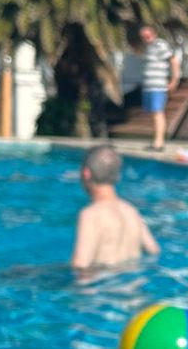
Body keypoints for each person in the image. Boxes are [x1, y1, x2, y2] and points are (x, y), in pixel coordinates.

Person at [71, 143, 160, 271]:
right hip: (133, 286)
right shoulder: (131, 210)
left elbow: (80, 266)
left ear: (86, 174)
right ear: (118, 176)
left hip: (103, 288)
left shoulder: (91, 215)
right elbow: (154, 250)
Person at [137, 24, 179, 152]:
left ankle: (159, 143)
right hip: (149, 87)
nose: (146, 38)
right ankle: (156, 140)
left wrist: (174, 80)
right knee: (153, 114)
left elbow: (173, 61)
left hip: (158, 86)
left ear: (153, 34)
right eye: (143, 37)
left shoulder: (160, 44)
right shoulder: (148, 48)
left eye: (148, 35)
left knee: (158, 113)